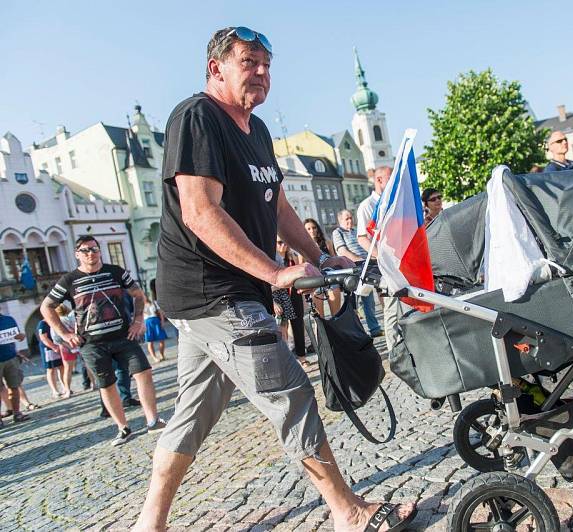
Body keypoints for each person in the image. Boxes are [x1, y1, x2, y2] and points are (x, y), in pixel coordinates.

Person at [134, 27, 416, 532]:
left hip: (223, 294)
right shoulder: (197, 118)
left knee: (192, 416)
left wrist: (319, 256)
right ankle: (347, 513)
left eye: (267, 63)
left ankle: (148, 523)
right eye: (249, 61)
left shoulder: (257, 130)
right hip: (213, 294)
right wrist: (275, 271)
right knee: (291, 395)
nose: (262, 72)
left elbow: (278, 203)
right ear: (216, 67)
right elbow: (201, 213)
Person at [41, 235, 166, 446]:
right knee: (106, 384)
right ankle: (123, 428)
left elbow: (137, 294)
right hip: (91, 343)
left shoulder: (115, 272)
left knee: (143, 373)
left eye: (95, 249)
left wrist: (137, 321)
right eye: (86, 250)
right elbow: (46, 307)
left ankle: (153, 421)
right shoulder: (69, 280)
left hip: (123, 335)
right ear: (77, 254)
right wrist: (65, 334)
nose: (91, 253)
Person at [357, 165, 405, 352]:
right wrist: (382, 257)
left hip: (401, 261)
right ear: (379, 180)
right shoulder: (367, 206)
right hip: (387, 265)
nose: (394, 184)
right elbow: (362, 238)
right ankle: (395, 351)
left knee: (406, 303)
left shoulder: (394, 202)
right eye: (390, 179)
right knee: (392, 306)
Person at [332, 209, 382, 337]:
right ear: (340, 220)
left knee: (369, 300)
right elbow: (342, 251)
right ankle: (357, 332)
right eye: (346, 218)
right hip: (352, 269)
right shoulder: (337, 232)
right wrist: (358, 260)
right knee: (352, 303)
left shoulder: (356, 231)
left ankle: (374, 329)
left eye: (350, 217)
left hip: (366, 267)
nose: (350, 220)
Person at [275, 239, 308, 365]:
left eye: (285, 242)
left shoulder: (292, 256)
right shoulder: (272, 258)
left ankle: (302, 357)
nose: (284, 245)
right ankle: (287, 358)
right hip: (279, 294)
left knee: (298, 323)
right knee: (283, 327)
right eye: (279, 242)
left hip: (294, 292)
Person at [303, 218, 342, 317]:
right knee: (319, 317)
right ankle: (322, 333)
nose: (312, 230)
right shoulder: (302, 247)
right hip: (315, 282)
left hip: (330, 279)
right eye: (308, 229)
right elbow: (301, 266)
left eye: (314, 227)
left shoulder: (327, 243)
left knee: (336, 314)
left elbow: (334, 261)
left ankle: (337, 332)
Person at [0, 311, 30, 425]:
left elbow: (16, 336)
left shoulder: (9, 320)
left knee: (14, 386)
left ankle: (17, 413)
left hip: (11, 357)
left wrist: (21, 336)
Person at [51, 303, 80, 398]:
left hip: (66, 346)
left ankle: (67, 390)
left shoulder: (56, 322)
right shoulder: (73, 316)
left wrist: (65, 345)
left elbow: (56, 338)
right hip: (79, 343)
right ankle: (93, 384)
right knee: (88, 366)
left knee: (67, 370)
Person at [36, 318, 65, 398]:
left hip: (58, 347)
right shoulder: (42, 324)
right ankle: (55, 390)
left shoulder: (54, 321)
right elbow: (43, 338)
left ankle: (65, 387)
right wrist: (53, 347)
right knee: (51, 369)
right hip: (48, 349)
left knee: (61, 367)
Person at [143, 292, 168, 363]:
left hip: (156, 321)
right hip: (147, 323)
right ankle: (154, 358)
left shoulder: (154, 303)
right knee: (150, 341)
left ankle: (162, 355)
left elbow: (160, 312)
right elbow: (140, 316)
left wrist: (162, 321)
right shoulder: (140, 305)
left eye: (144, 295)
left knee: (162, 339)